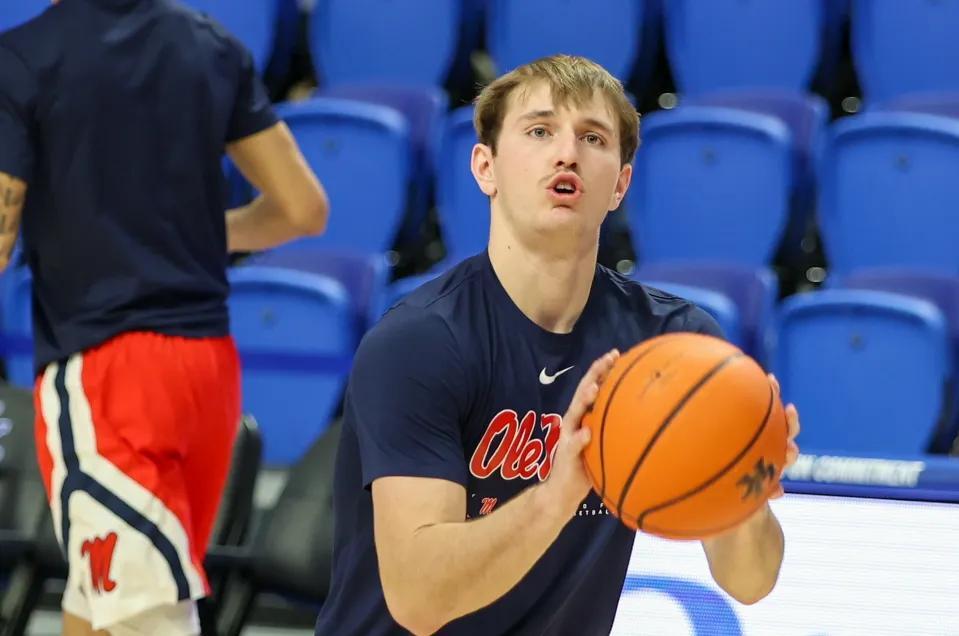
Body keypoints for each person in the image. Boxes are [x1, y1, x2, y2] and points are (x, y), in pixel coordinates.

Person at [313, 54, 801, 636]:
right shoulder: (419, 341)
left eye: (593, 138)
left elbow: (751, 581)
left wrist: (744, 479)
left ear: (620, 184)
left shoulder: (674, 346)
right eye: (540, 131)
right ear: (486, 168)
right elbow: (420, 601)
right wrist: (560, 491)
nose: (567, 152)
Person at [0, 0, 330, 633]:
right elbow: (303, 209)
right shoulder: (211, 45)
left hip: (107, 372)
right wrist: (190, 238)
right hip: (205, 372)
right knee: (101, 599)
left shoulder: (22, 58)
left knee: (145, 615)